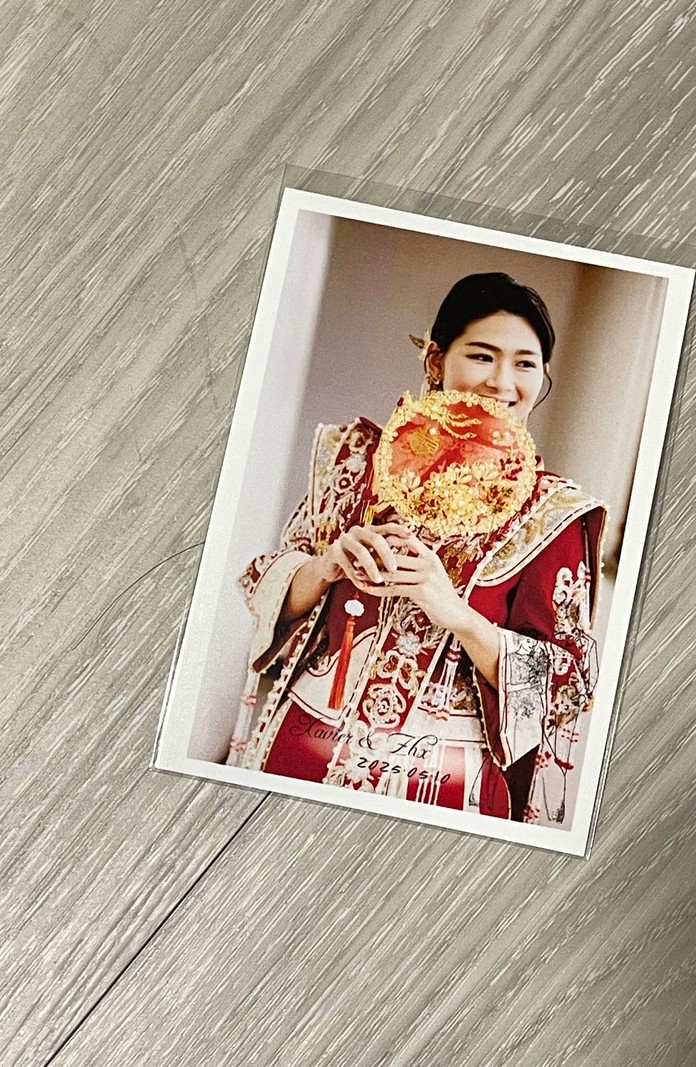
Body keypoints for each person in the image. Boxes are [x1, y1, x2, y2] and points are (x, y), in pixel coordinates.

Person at [227, 273, 606, 826]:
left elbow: (567, 682)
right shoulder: (357, 460)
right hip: (302, 743)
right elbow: (265, 583)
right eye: (482, 356)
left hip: (444, 779)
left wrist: (455, 613)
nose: (502, 382)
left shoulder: (553, 514)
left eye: (525, 364)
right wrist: (326, 567)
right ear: (436, 360)